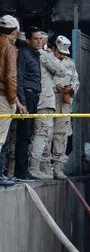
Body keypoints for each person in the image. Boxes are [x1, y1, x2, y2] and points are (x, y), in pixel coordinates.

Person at [13, 27, 46, 180]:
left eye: (40, 38)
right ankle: (20, 171)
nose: (39, 41)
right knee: (24, 133)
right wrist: (22, 101)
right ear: (28, 40)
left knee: (28, 133)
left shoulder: (36, 54)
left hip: (33, 96)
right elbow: (19, 78)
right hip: (26, 95)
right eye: (35, 39)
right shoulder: (24, 53)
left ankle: (22, 170)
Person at [29, 38, 64, 179]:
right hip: (43, 102)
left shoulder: (28, 53)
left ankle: (21, 169)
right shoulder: (44, 55)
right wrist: (49, 53)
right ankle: (34, 168)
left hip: (35, 99)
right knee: (41, 134)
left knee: (32, 134)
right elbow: (61, 71)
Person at [50, 36, 79, 179]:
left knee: (61, 136)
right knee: (45, 134)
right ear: (53, 48)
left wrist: (71, 88)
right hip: (48, 102)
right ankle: (43, 167)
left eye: (64, 53)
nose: (62, 55)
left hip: (64, 103)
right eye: (60, 52)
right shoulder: (46, 60)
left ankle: (58, 167)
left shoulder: (70, 63)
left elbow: (76, 81)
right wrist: (55, 87)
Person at [0, 15, 20, 186]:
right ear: (14, 31)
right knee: (1, 138)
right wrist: (13, 99)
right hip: (3, 97)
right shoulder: (9, 48)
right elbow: (10, 76)